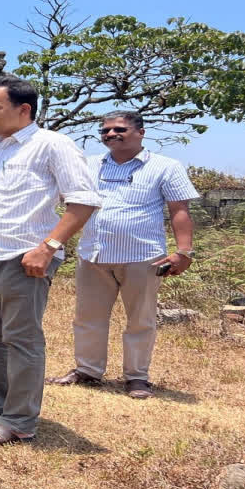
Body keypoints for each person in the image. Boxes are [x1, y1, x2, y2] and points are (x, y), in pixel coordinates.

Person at [0, 76, 100, 446]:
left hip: (24, 257)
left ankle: (18, 422)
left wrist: (47, 247)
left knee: (21, 339)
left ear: (23, 109)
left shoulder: (52, 145)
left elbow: (83, 201)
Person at [46, 111, 199, 399]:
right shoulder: (89, 165)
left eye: (119, 129)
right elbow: (68, 202)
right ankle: (88, 371)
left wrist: (184, 251)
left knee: (141, 320)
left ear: (140, 132)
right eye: (104, 131)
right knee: (87, 317)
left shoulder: (165, 167)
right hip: (93, 254)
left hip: (143, 257)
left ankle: (137, 378)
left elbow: (179, 210)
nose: (110, 134)